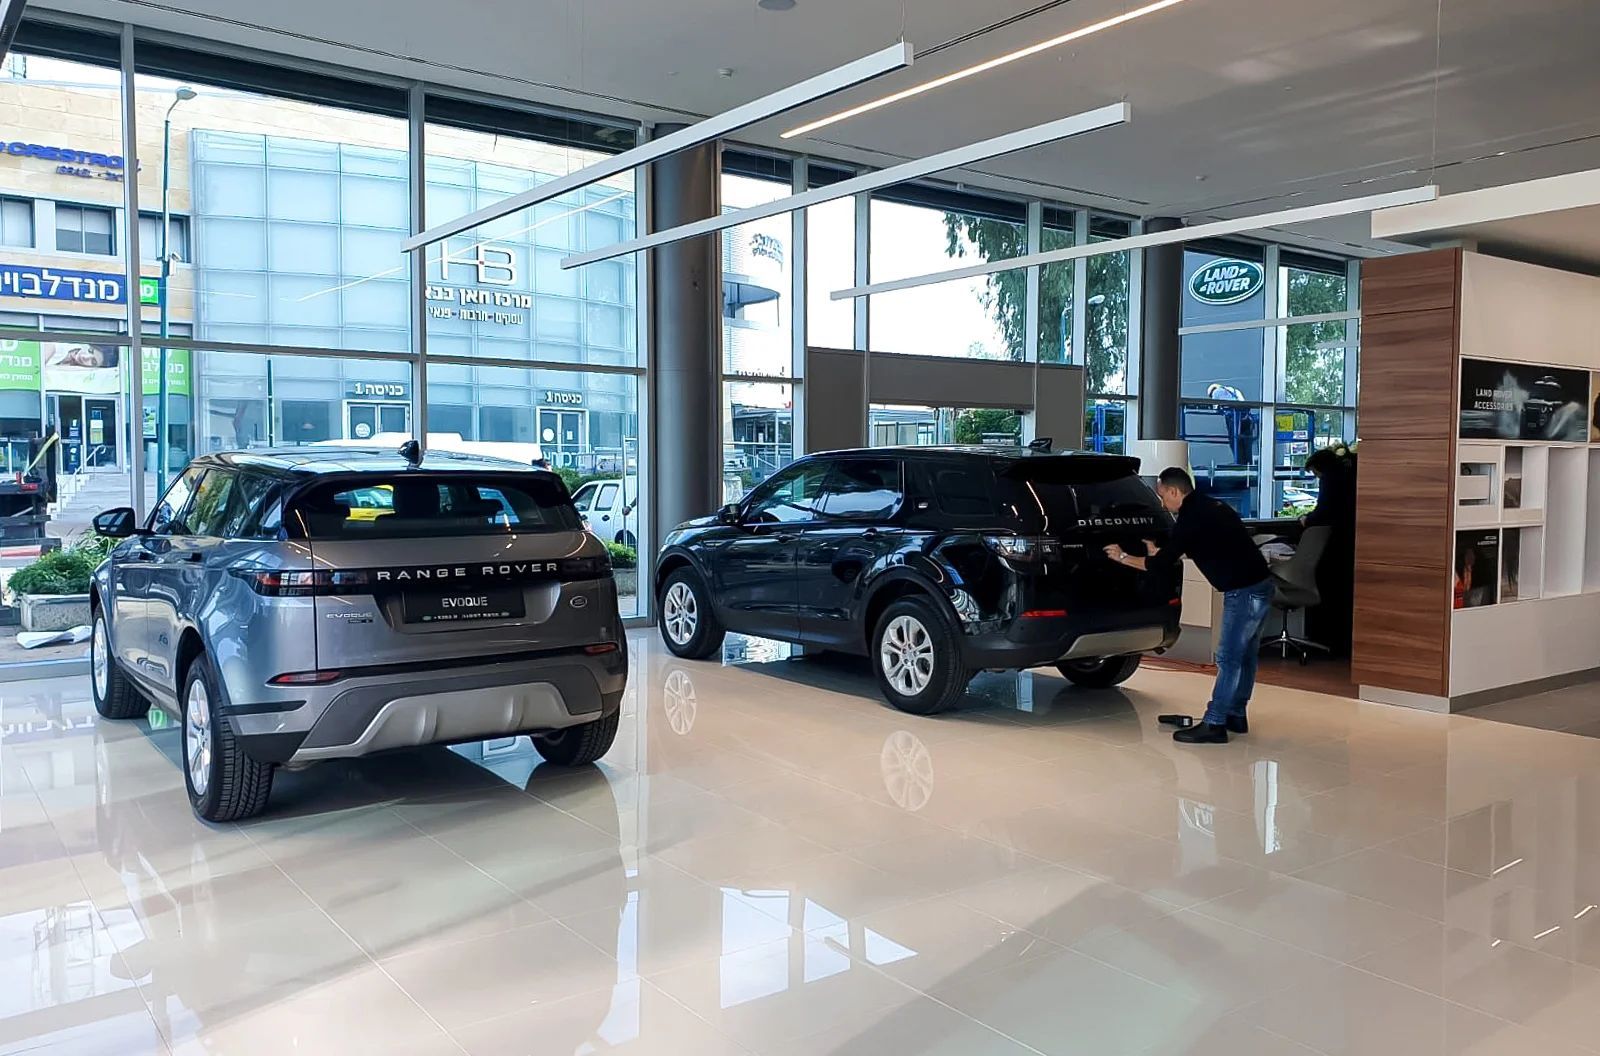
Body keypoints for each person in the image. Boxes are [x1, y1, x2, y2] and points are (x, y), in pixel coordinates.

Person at [1104, 467, 1272, 744]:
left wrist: (1122, 557)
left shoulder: (1191, 517)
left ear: (1174, 491)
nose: (1162, 504)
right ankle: (1235, 714)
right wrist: (1160, 552)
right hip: (1259, 585)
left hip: (1243, 592)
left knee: (1229, 657)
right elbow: (1188, 547)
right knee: (1244, 655)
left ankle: (1215, 723)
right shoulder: (1210, 506)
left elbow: (1160, 565)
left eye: (1162, 497)